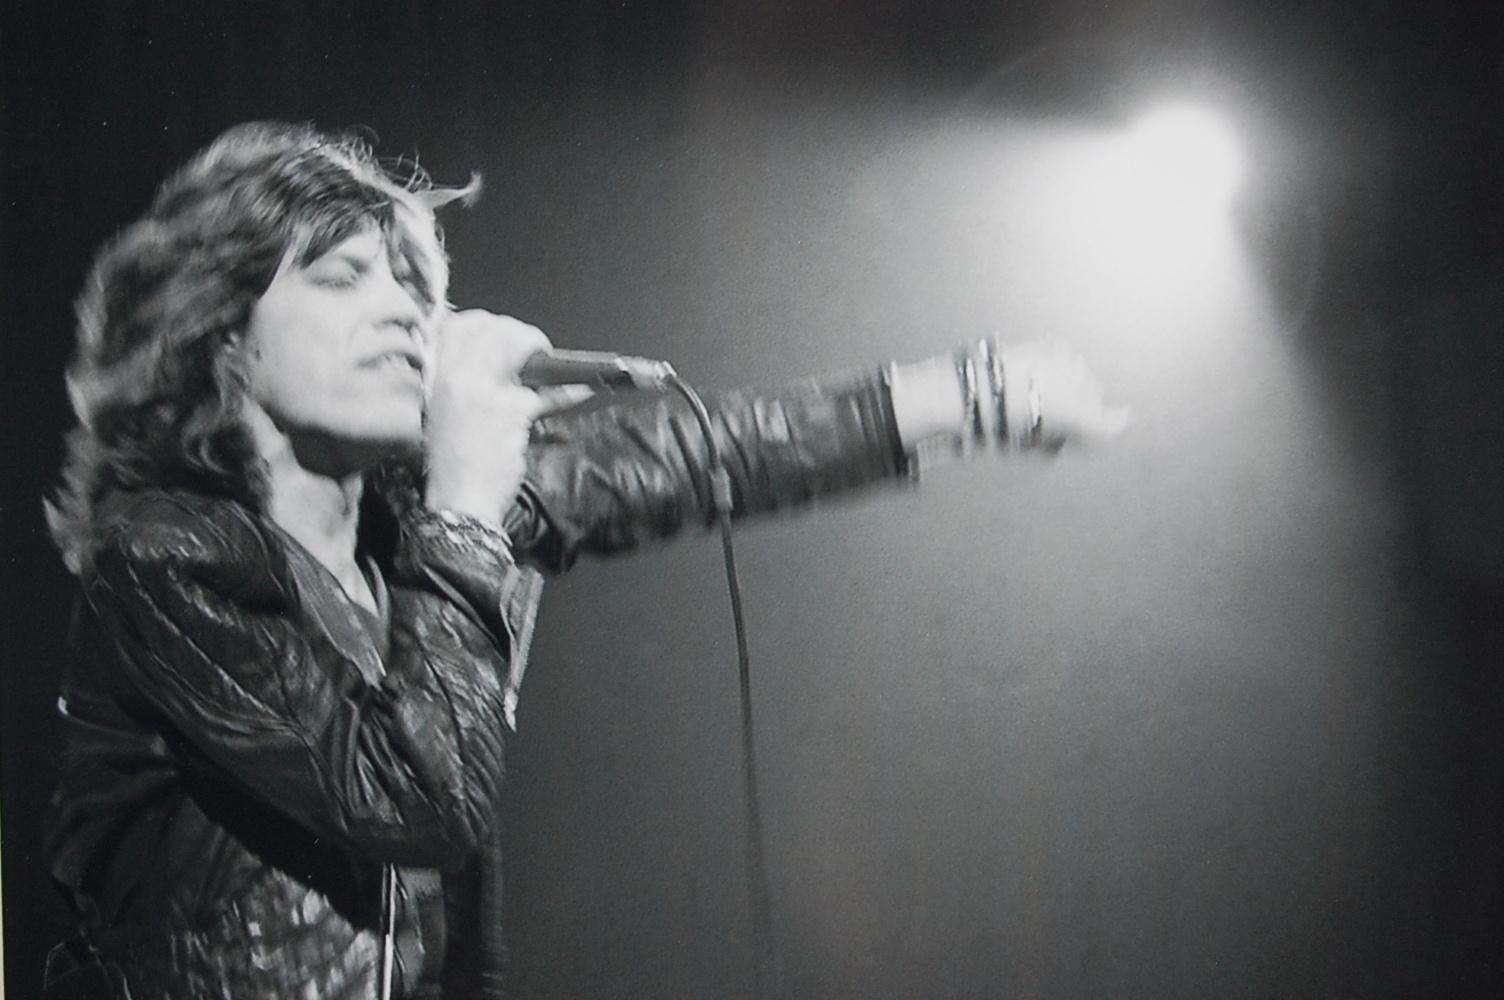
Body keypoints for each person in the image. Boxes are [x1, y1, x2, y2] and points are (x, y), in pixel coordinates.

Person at [41, 121, 1127, 999]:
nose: (405, 317)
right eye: (338, 278)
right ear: (219, 336)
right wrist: (468, 496)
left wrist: (972, 393)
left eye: (413, 289)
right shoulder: (167, 551)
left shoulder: (406, 540)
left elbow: (684, 455)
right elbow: (412, 795)